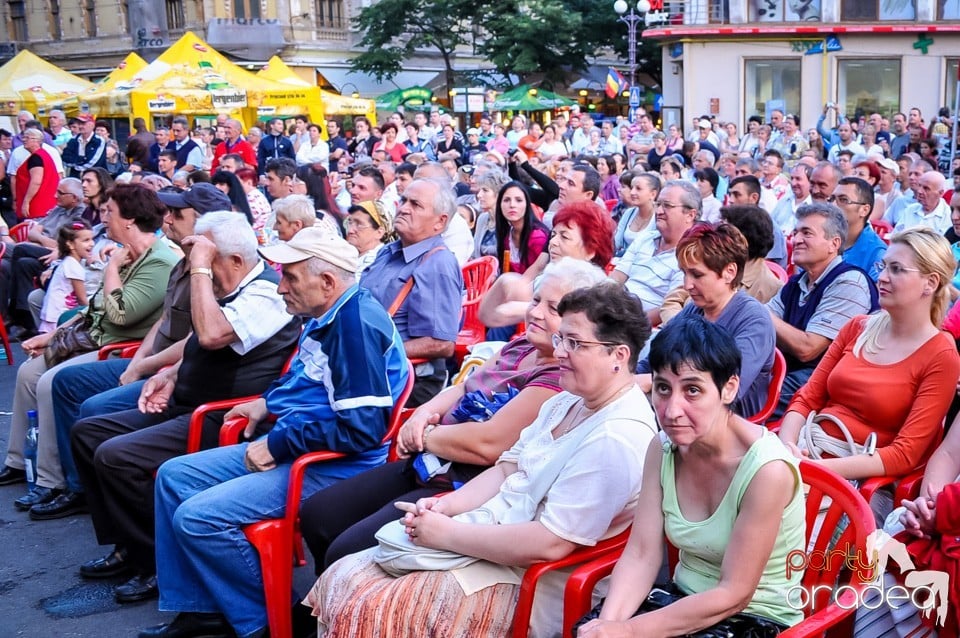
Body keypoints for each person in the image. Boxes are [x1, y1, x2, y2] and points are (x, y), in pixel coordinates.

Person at [308, 283, 657, 638]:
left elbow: (551, 543)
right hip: (494, 537)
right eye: (561, 340)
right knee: (345, 572)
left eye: (575, 343)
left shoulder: (616, 435)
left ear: (619, 355)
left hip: (534, 579)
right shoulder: (567, 401)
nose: (561, 352)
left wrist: (449, 533)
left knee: (370, 602)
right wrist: (445, 507)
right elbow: (507, 467)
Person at [139, 228, 410, 638]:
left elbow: (363, 430)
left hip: (332, 466)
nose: (280, 286)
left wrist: (279, 442)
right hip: (300, 445)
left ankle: (265, 621)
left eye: (291, 277)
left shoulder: (352, 328)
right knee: (172, 477)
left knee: (198, 519)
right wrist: (268, 402)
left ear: (328, 282)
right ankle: (204, 609)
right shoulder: (333, 311)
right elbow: (309, 380)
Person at [298, 257, 607, 585]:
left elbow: (488, 445)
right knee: (319, 513)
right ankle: (325, 602)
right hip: (431, 461)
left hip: (465, 482)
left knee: (345, 550)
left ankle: (335, 607)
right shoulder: (523, 344)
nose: (536, 312)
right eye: (535, 300)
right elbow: (464, 386)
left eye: (553, 308)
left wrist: (424, 432)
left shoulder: (556, 376)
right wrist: (419, 414)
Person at [70, 211, 301, 602]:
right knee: (87, 431)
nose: (196, 261)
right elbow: (198, 337)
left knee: (117, 457)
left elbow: (211, 334)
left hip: (221, 414)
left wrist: (197, 270)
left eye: (205, 255)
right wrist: (171, 372)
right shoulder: (230, 284)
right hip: (189, 400)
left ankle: (155, 564)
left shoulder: (266, 293)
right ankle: (129, 546)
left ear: (235, 262)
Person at [577, 315, 804, 637]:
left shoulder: (766, 471)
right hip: (680, 600)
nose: (672, 410)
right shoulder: (664, 447)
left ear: (729, 389)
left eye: (693, 390)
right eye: (663, 389)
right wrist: (609, 626)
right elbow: (642, 552)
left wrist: (629, 631)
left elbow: (735, 594)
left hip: (754, 617)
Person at [0, 185, 179, 506]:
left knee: (49, 383)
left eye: (110, 212)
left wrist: (112, 269)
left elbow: (120, 313)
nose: (103, 218)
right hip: (95, 338)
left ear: (129, 219)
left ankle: (54, 480)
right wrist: (52, 335)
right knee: (28, 373)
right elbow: (92, 307)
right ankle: (19, 461)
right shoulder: (129, 251)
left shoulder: (160, 260)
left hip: (117, 343)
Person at [778, 227, 958, 486]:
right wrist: (787, 449)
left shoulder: (941, 354)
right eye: (883, 266)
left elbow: (905, 454)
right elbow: (806, 399)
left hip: (856, 476)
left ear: (930, 283)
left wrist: (814, 468)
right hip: (805, 449)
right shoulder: (857, 327)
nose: (882, 277)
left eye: (896, 269)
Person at [636, 221, 776, 418]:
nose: (687, 285)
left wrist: (653, 380)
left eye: (697, 275)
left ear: (729, 272)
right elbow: (655, 357)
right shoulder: (694, 309)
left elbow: (727, 389)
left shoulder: (754, 319)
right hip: (683, 406)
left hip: (726, 422)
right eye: (684, 273)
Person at [767, 203, 877, 416]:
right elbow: (764, 325)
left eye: (807, 233)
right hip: (794, 371)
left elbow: (808, 349)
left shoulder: (850, 282)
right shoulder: (797, 282)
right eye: (796, 232)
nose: (796, 239)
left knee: (743, 400)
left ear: (833, 244)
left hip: (828, 384)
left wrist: (757, 311)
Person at [360, 178, 462, 405]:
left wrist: (373, 354)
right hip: (368, 367)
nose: (404, 208)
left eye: (416, 205)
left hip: (401, 380)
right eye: (404, 200)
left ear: (440, 222)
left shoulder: (437, 264)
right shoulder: (388, 251)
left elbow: (441, 344)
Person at [478, 201, 615, 330]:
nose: (553, 242)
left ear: (590, 250)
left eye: (564, 237)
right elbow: (490, 317)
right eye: (553, 235)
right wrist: (504, 281)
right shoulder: (548, 280)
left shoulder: (598, 293)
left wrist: (529, 309)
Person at [612, 180, 700, 325]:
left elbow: (668, 307)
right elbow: (616, 278)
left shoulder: (691, 255)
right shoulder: (646, 238)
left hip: (641, 327)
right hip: (616, 310)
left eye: (667, 206)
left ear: (690, 215)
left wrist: (628, 324)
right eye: (658, 204)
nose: (659, 211)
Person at [38, 220, 93, 333]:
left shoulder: (70, 262)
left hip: (54, 315)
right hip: (58, 318)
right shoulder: (73, 266)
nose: (92, 243)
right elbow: (82, 300)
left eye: (92, 239)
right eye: (86, 240)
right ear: (70, 244)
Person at [831, 176, 886, 281]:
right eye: (832, 199)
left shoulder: (877, 252)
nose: (833, 205)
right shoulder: (821, 239)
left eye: (843, 200)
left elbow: (874, 294)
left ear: (864, 210)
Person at [495, 181, 548, 275]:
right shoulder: (508, 234)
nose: (512, 205)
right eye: (506, 200)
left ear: (527, 204)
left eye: (518, 200)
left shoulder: (537, 237)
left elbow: (543, 275)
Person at [15, 128, 59, 220]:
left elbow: (36, 181)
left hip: (37, 207)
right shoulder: (44, 155)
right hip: (46, 204)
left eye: (27, 138)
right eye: (24, 137)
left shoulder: (36, 158)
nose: (23, 140)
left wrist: (26, 202)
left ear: (37, 140)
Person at [614, 173, 659, 258]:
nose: (632, 192)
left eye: (638, 189)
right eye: (632, 188)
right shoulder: (629, 213)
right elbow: (617, 243)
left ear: (653, 194)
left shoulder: (659, 218)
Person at [345, 200, 393, 275]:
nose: (350, 230)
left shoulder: (379, 263)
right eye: (350, 223)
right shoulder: (348, 253)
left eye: (359, 225)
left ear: (379, 232)